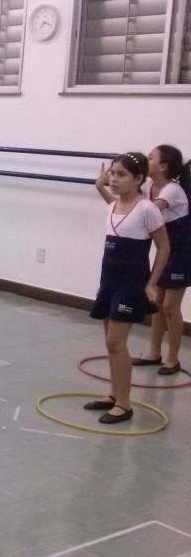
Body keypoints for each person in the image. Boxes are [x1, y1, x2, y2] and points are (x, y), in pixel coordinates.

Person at [85, 152, 169, 424]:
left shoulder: (147, 209)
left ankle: (124, 404)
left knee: (115, 342)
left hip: (131, 283)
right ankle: (114, 394)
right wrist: (99, 185)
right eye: (112, 173)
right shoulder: (113, 205)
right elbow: (113, 204)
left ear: (138, 179)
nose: (113, 179)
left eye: (121, 174)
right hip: (109, 280)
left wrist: (151, 283)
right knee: (110, 343)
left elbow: (164, 247)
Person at [132, 144, 189, 375]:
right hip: (165, 251)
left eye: (151, 157)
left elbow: (148, 211)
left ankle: (173, 359)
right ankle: (154, 353)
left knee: (170, 307)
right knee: (158, 305)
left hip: (182, 253)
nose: (147, 160)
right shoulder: (150, 186)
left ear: (163, 166)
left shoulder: (172, 190)